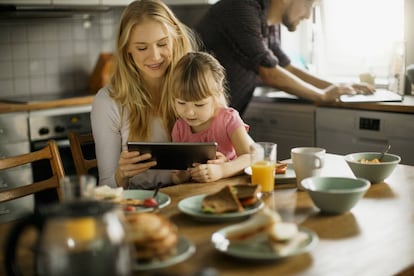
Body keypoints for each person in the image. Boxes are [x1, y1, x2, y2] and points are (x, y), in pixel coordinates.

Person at [196, 0, 375, 115]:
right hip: (192, 117)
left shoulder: (266, 23)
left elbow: (285, 66)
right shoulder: (240, 8)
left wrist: (336, 87)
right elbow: (270, 73)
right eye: (307, 5)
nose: (307, 15)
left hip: (217, 119)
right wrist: (321, 95)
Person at [91, 0, 199, 189]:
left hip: (189, 198)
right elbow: (105, 188)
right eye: (142, 48)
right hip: (140, 207)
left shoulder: (193, 85)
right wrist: (121, 175)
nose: (155, 56)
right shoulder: (108, 101)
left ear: (176, 40)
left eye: (162, 44)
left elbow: (233, 142)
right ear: (128, 51)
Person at [170, 51, 252, 183]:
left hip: (232, 187)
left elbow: (250, 157)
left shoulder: (228, 119)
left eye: (199, 104)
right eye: (181, 103)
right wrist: (180, 174)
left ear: (217, 94)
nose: (189, 112)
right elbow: (179, 179)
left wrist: (222, 170)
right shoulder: (179, 128)